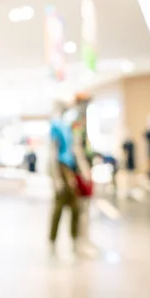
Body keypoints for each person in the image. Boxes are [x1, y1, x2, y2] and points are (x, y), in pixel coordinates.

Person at [48, 98, 94, 256]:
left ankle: (73, 239)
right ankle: (55, 240)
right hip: (62, 168)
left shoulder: (68, 126)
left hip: (69, 168)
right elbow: (53, 153)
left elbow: (75, 150)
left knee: (71, 206)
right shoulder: (56, 126)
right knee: (61, 205)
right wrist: (57, 178)